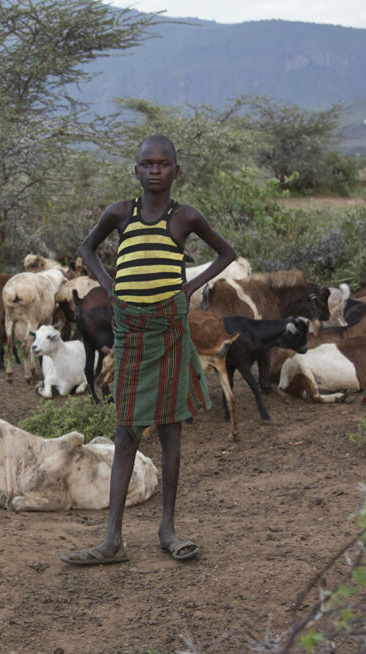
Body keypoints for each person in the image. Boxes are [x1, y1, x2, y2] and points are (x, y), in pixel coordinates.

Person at [61, 134, 236, 565]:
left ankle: (168, 530)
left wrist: (189, 286)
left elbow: (225, 253)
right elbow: (87, 247)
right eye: (146, 164)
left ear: (176, 170)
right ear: (135, 170)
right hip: (133, 335)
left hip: (170, 331)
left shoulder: (185, 218)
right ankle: (112, 541)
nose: (154, 170)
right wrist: (109, 284)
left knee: (171, 430)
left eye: (163, 164)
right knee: (125, 432)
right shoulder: (121, 213)